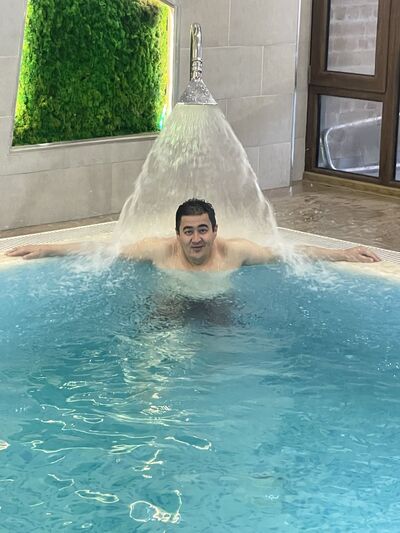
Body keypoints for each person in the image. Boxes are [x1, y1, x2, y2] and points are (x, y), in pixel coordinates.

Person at [6, 198, 380, 269]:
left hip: (217, 311)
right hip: (171, 309)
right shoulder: (159, 251)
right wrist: (49, 248)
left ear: (215, 231)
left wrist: (341, 253)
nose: (196, 238)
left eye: (203, 229)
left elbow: (287, 251)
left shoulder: (235, 252)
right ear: (177, 234)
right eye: (189, 231)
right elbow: (106, 249)